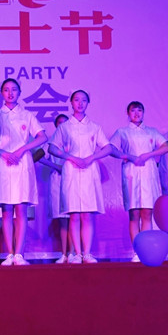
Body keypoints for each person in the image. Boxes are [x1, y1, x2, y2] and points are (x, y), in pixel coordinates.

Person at [0, 79, 47, 266]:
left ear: (19, 92)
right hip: (3, 164)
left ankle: (19, 254)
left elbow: (42, 136)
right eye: (6, 90)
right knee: (6, 210)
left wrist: (22, 149)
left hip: (22, 163)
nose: (10, 93)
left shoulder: (27, 115)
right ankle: (9, 254)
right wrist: (1, 152)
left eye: (14, 90)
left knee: (21, 210)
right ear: (2, 93)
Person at [48, 90, 113, 264]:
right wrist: (70, 157)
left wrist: (92, 157)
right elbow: (52, 148)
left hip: (89, 171)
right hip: (71, 170)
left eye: (84, 100)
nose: (80, 103)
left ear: (88, 103)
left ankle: (87, 253)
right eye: (76, 100)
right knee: (74, 215)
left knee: (87, 215)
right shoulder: (64, 127)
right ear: (71, 103)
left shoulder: (94, 127)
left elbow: (108, 148)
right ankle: (77, 253)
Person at [109, 101, 168, 262]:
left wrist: (148, 155)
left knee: (147, 213)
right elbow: (111, 149)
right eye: (133, 111)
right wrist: (128, 156)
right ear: (128, 113)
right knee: (134, 213)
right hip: (131, 173)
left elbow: (166, 147)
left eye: (140, 110)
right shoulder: (122, 132)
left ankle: (145, 249)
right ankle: (136, 251)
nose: (136, 114)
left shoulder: (151, 131)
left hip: (149, 173)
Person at [34, 114, 76, 263]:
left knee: (74, 218)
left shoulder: (74, 139)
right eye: (60, 123)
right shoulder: (51, 142)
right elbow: (39, 156)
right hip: (57, 181)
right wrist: (56, 166)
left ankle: (74, 253)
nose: (62, 126)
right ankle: (64, 253)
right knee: (63, 220)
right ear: (56, 126)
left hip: (73, 180)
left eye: (65, 123)